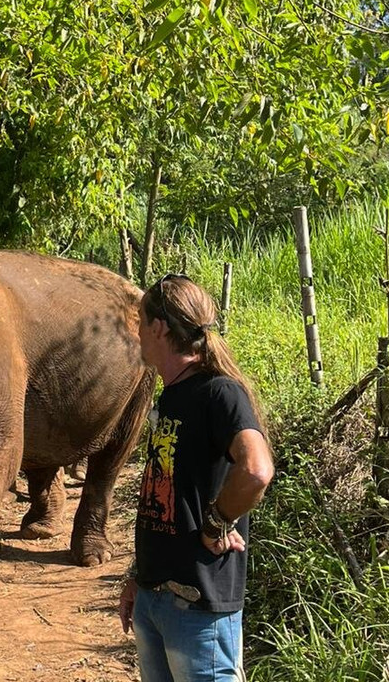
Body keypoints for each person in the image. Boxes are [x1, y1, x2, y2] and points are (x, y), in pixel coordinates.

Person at [119, 274, 275, 682]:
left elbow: (257, 469)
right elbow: (168, 494)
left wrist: (216, 521)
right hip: (156, 599)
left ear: (159, 327)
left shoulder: (219, 393)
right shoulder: (171, 395)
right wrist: (140, 577)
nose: (136, 332)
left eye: (140, 321)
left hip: (199, 607)